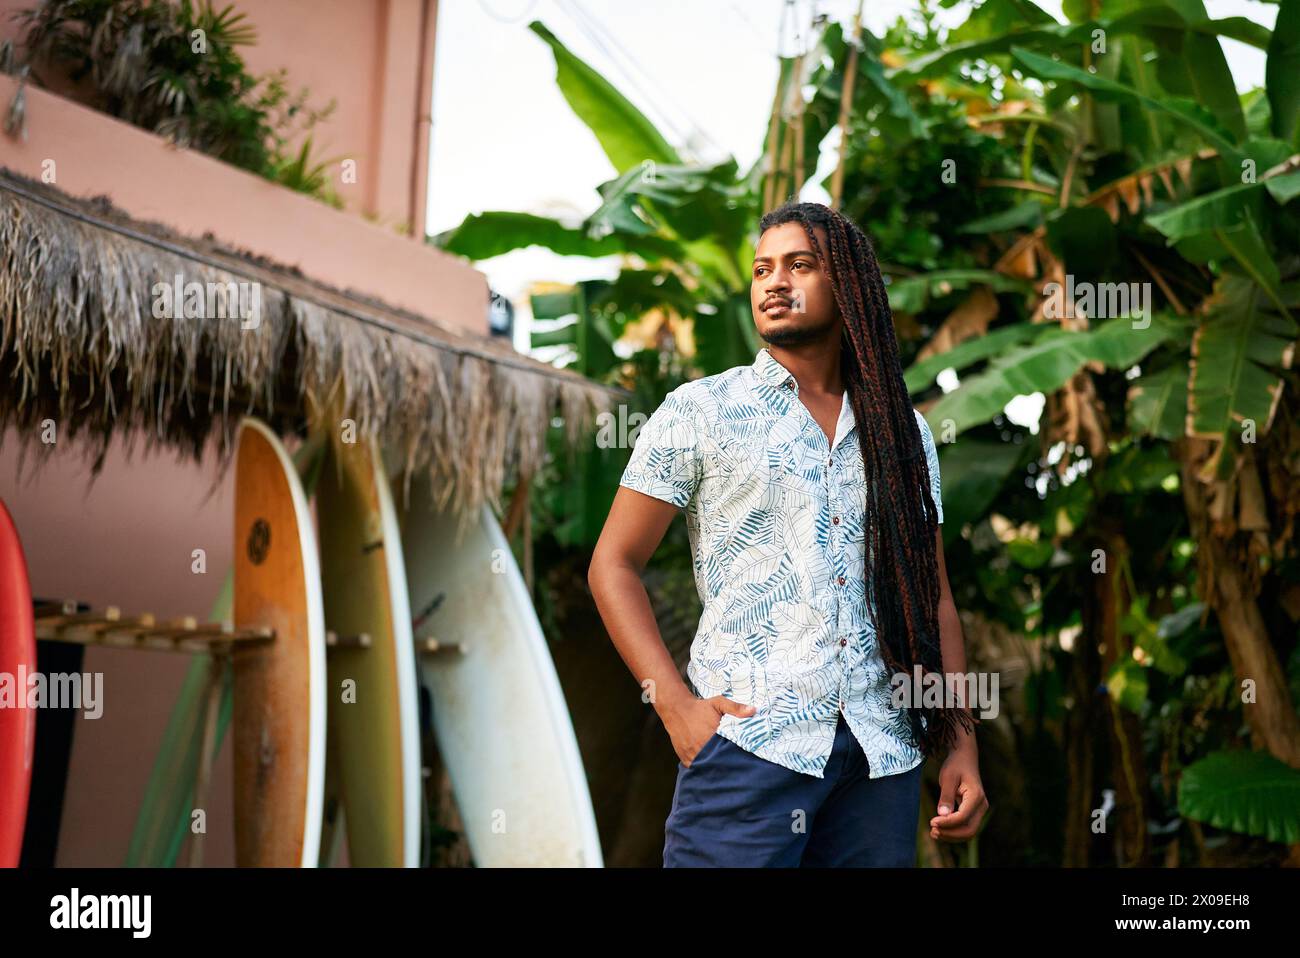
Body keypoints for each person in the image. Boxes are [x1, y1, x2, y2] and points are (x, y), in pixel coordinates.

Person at [588, 201, 988, 867]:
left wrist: (962, 744)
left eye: (800, 265)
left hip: (880, 757)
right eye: (762, 269)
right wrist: (677, 708)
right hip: (749, 747)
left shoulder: (904, 432)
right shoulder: (700, 411)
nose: (775, 282)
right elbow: (613, 564)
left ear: (847, 282)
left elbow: (934, 595)